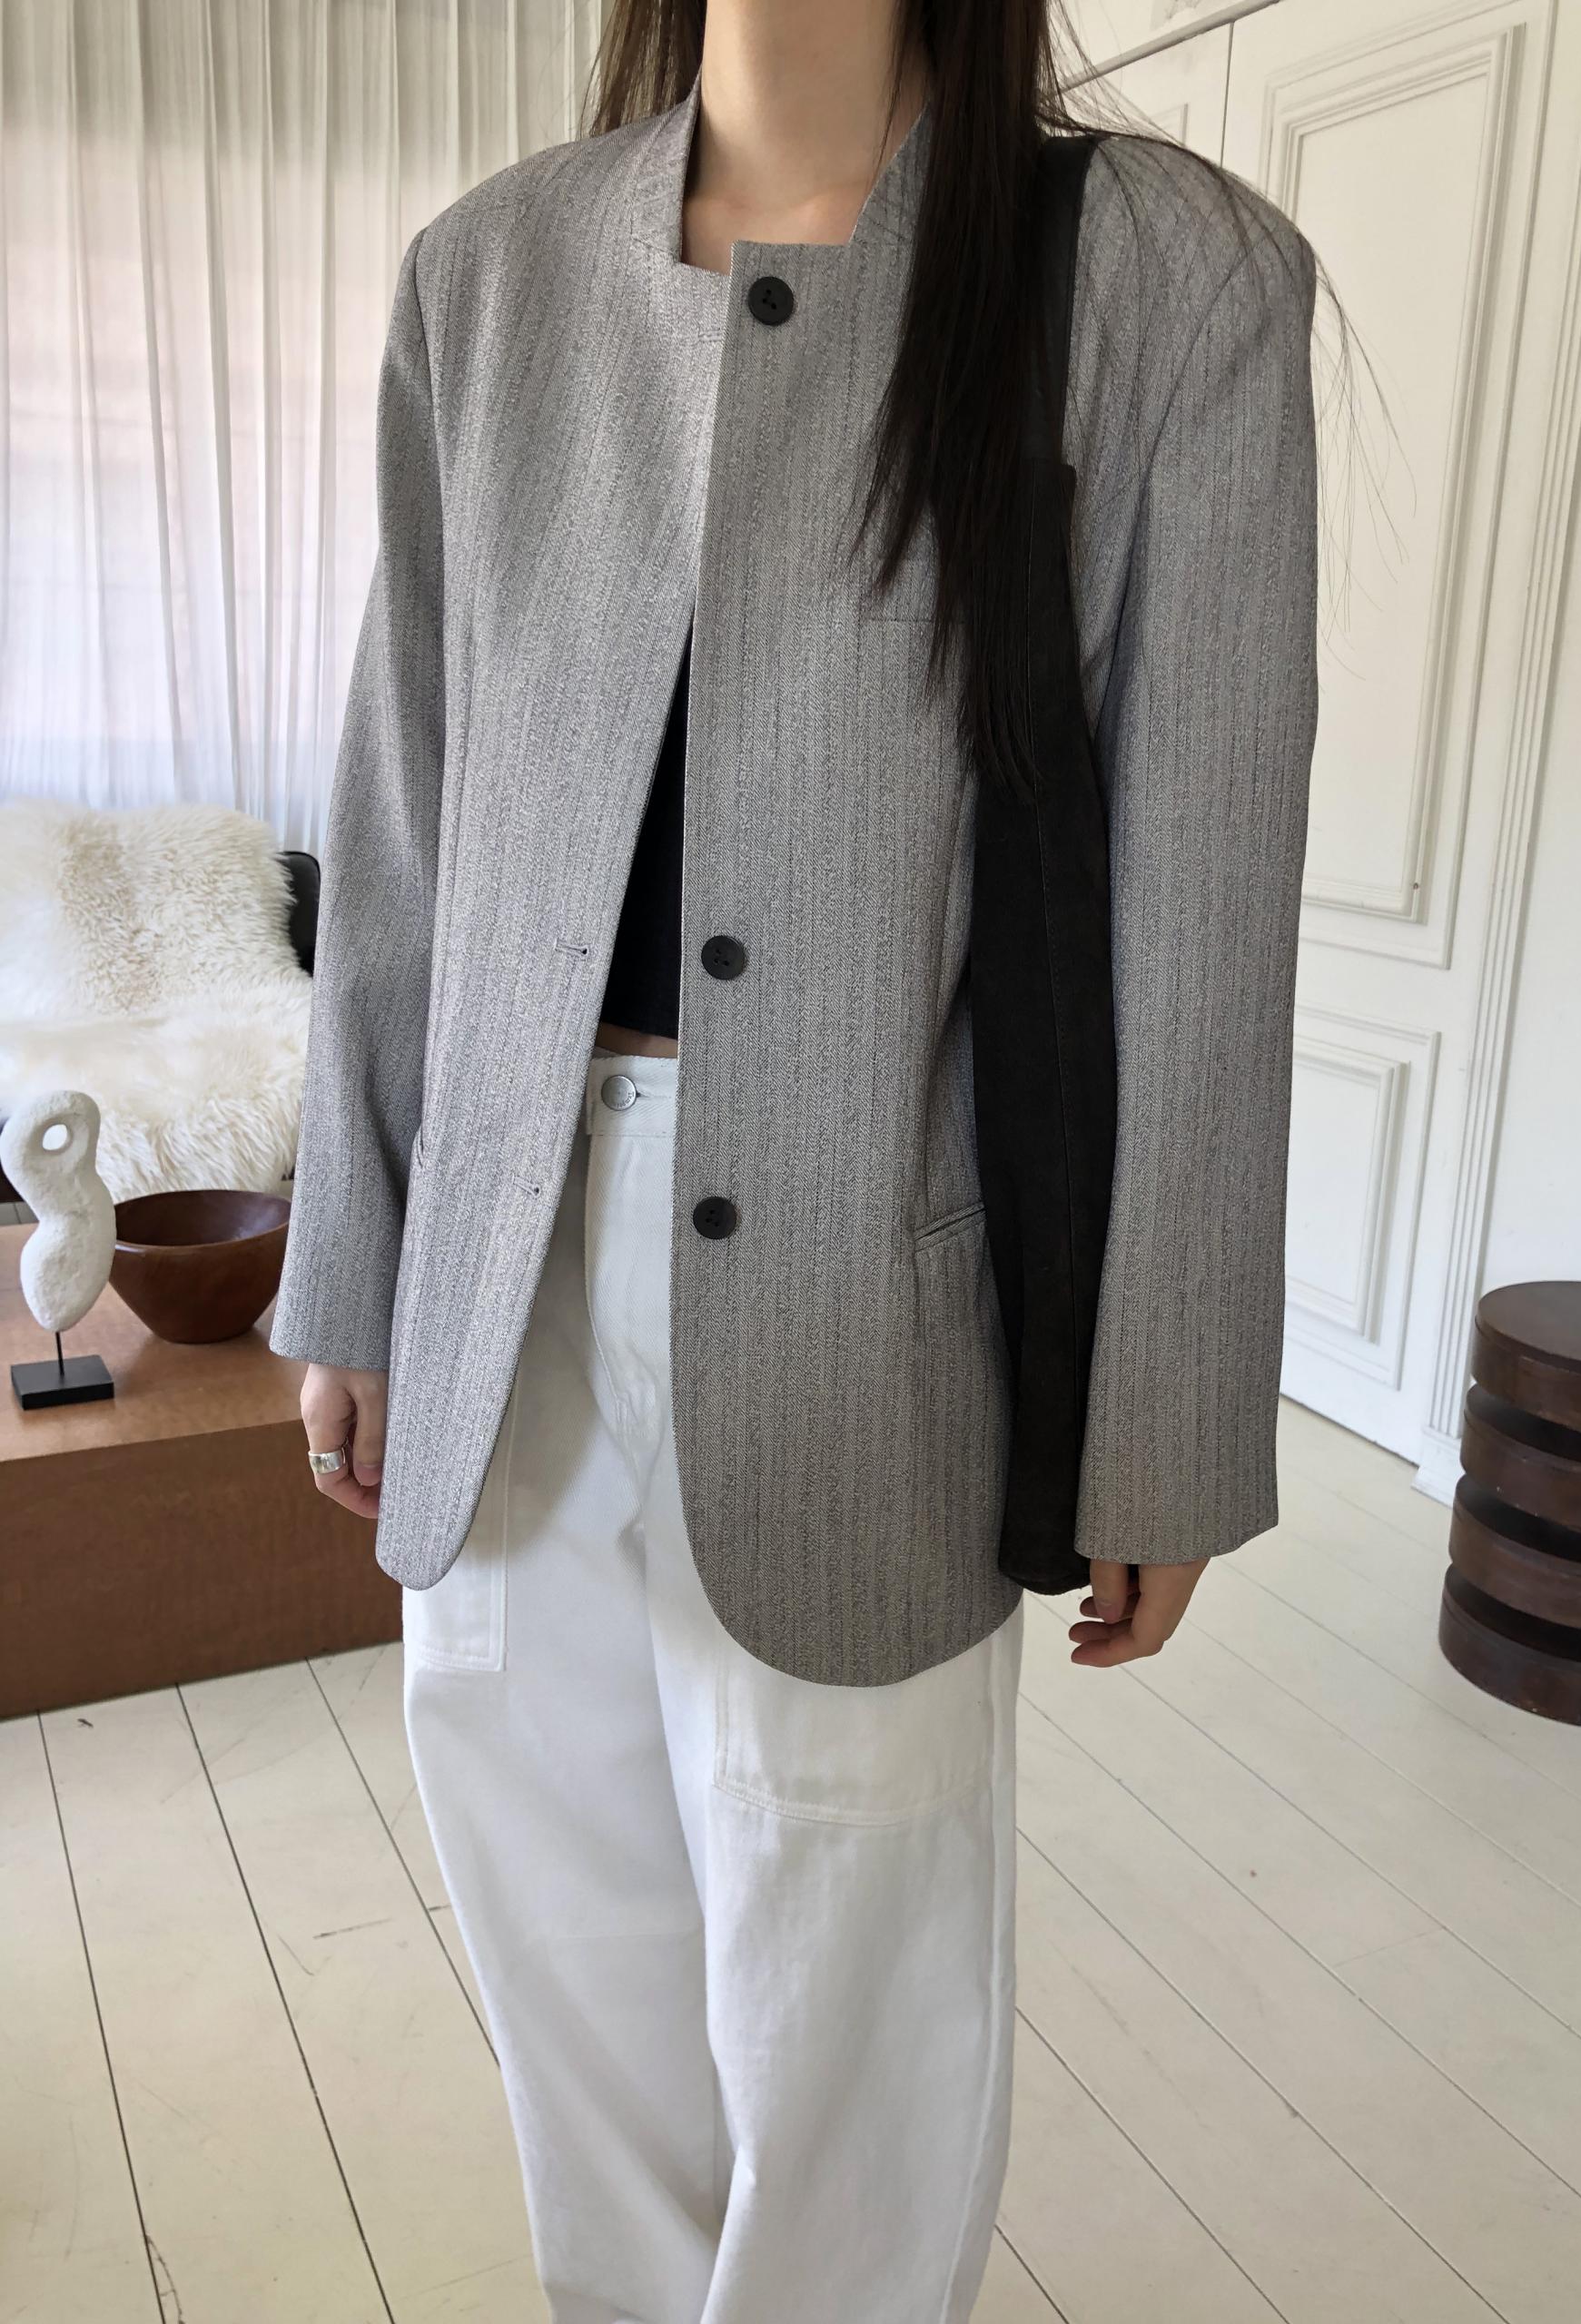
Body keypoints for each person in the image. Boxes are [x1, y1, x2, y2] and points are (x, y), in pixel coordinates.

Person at [270, 5, 1324, 2317]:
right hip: (504, 1254)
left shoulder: (1165, 279)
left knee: (851, 1948)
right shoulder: (492, 274)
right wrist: (353, 1263)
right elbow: (405, 814)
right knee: (557, 1909)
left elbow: (1206, 897)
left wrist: (1161, 1407)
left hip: (883, 1284)